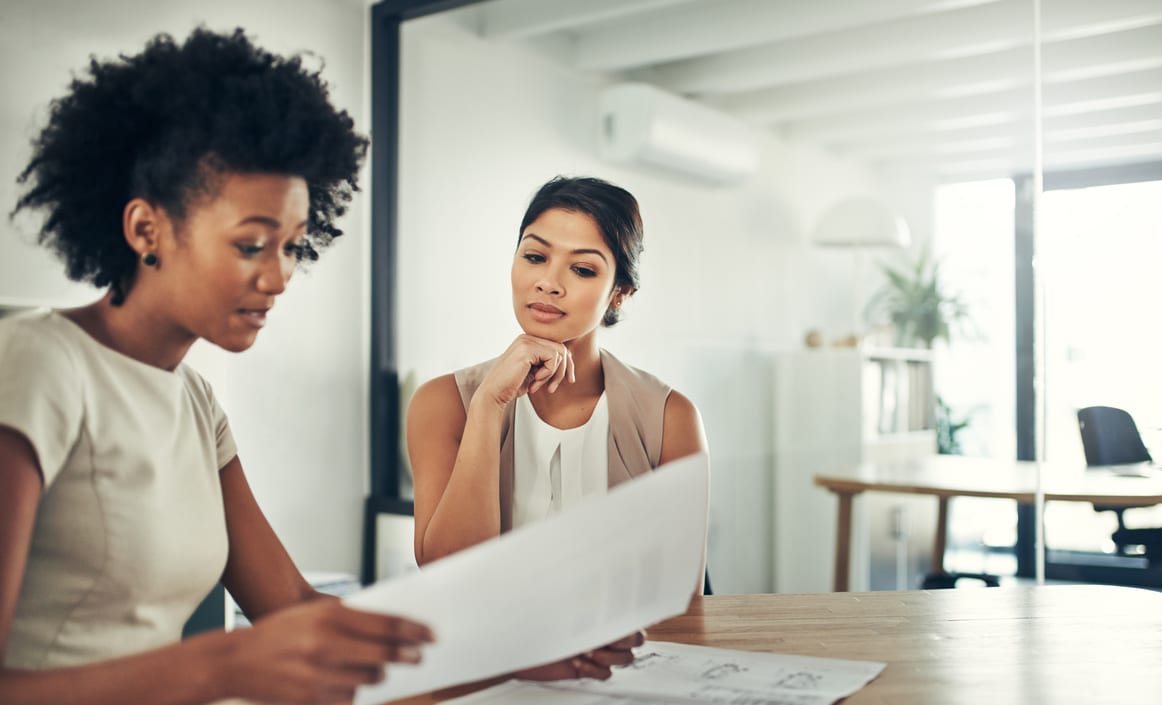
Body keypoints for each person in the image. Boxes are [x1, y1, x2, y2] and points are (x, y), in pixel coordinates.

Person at [0, 28, 434, 705]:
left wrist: (519, 646)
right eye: (253, 244)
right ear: (147, 230)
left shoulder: (195, 402)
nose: (281, 276)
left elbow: (291, 605)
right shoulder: (36, 364)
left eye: (293, 246)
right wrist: (221, 666)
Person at [405, 176, 709, 679]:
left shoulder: (670, 417)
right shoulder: (443, 403)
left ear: (618, 293)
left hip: (621, 679)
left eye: (583, 268)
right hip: (484, 679)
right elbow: (447, 576)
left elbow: (679, 603)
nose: (549, 282)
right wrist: (488, 407)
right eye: (534, 256)